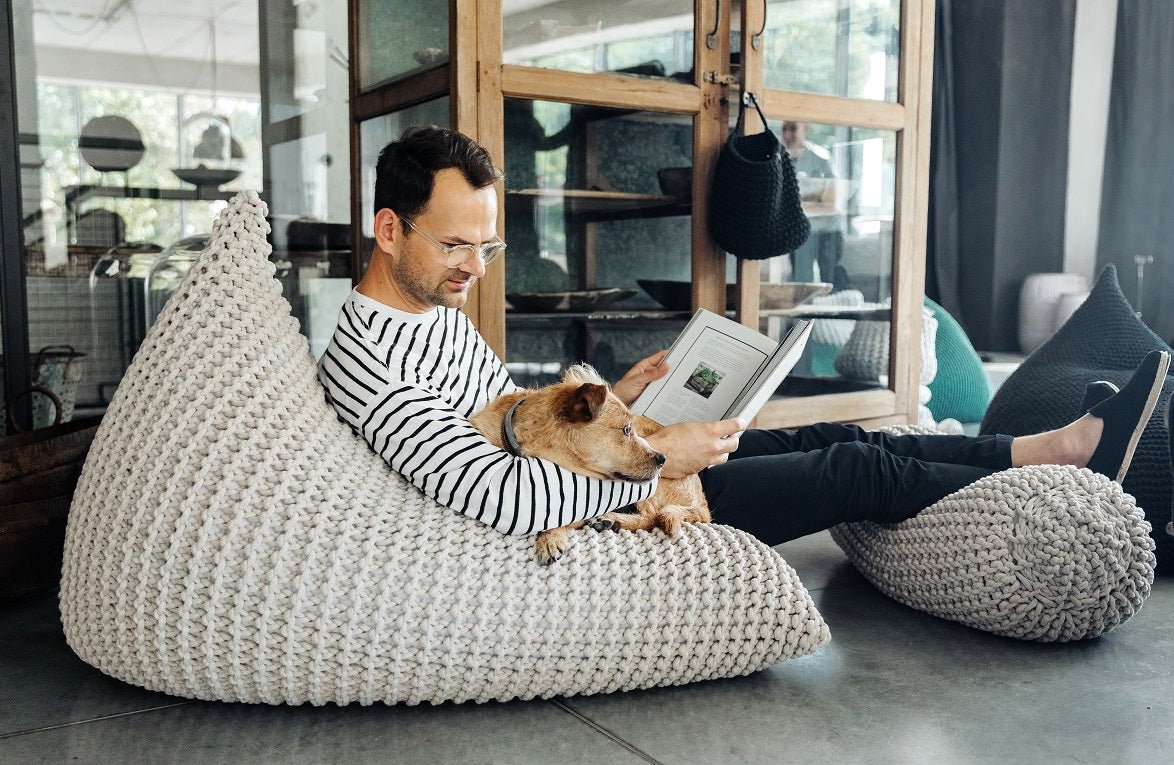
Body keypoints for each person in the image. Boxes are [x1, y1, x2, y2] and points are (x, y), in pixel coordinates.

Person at [319, 125, 1168, 547]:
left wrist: (627, 405)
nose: (476, 265)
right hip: (627, 516)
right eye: (456, 245)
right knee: (855, 468)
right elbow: (499, 498)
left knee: (834, 430)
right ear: (389, 230)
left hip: (613, 468)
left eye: (488, 244)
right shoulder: (371, 363)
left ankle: (1041, 444)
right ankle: (1062, 453)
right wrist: (657, 459)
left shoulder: (429, 312)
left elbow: (513, 418)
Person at [781, 120, 844, 284]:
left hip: (826, 231)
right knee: (801, 281)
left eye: (793, 129)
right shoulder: (779, 158)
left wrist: (801, 204)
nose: (787, 134)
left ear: (805, 128)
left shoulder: (821, 158)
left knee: (830, 280)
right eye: (784, 129)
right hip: (799, 230)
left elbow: (831, 201)